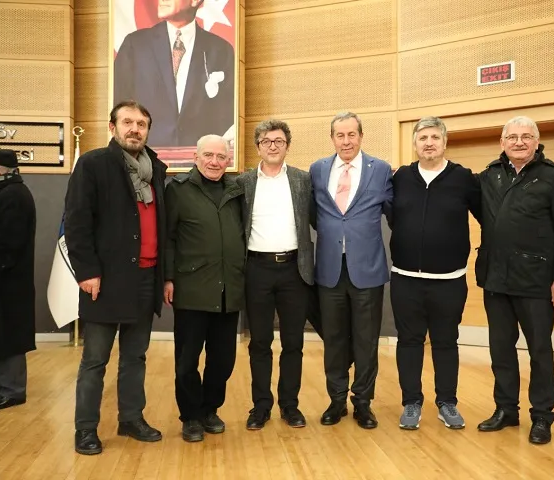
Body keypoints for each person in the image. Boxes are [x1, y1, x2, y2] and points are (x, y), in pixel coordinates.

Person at [65, 100, 167, 455]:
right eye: (127, 122)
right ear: (113, 127)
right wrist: (87, 272)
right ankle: (85, 429)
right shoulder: (93, 164)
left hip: (146, 278)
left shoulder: (156, 169)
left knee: (135, 357)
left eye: (141, 124)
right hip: (105, 281)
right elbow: (77, 222)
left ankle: (131, 419)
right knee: (95, 360)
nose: (134, 129)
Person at [475, 116, 554, 445]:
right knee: (501, 350)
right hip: (496, 279)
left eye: (526, 136)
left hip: (536, 281)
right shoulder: (489, 176)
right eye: (512, 137)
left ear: (537, 141)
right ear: (502, 142)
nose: (518, 142)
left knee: (540, 351)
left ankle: (542, 416)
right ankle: (506, 409)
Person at [389, 116, 481, 430]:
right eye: (423, 138)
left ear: (444, 142)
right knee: (409, 342)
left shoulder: (463, 178)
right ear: (414, 144)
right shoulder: (401, 177)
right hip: (405, 279)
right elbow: (391, 215)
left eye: (434, 137)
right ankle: (411, 402)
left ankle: (447, 402)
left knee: (445, 342)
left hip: (449, 281)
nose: (429, 143)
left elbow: (488, 217)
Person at [309, 111, 393, 429]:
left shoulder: (380, 169)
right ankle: (336, 400)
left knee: (366, 341)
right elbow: (316, 215)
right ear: (332, 138)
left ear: (361, 136)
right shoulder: (318, 169)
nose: (346, 141)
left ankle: (362, 403)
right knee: (333, 340)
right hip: (330, 269)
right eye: (340, 135)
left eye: (351, 134)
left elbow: (394, 212)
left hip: (367, 270)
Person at [164, 134, 244, 442]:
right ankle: (191, 416)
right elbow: (168, 238)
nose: (214, 161)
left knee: (222, 360)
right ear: (196, 158)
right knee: (187, 361)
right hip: (191, 289)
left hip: (228, 290)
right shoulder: (178, 189)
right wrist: (168, 278)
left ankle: (210, 409)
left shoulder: (236, 191)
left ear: (228, 160)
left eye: (221, 157)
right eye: (208, 155)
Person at [235, 120, 314, 430]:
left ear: (287, 146)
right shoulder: (243, 182)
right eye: (266, 141)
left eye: (279, 141)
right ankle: (260, 406)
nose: (272, 145)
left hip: (295, 270)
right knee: (260, 342)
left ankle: (290, 406)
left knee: (293, 342)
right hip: (257, 270)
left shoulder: (302, 180)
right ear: (258, 147)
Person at [114, 0, 235, 147]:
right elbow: (119, 103)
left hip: (200, 155)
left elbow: (227, 112)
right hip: (145, 154)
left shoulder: (221, 49)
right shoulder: (135, 44)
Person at [0, 150, 36, 411]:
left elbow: (8, 244)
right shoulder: (1, 192)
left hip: (8, 282)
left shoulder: (13, 196)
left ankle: (12, 390)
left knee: (8, 337)